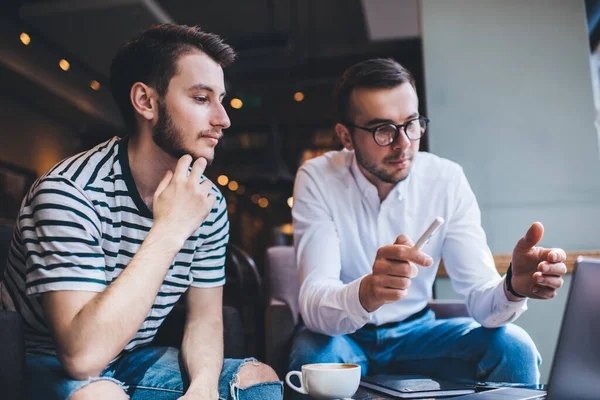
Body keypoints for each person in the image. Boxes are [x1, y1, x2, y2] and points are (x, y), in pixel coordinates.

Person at [0, 24, 282, 400]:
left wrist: (202, 389)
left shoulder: (208, 201)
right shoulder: (69, 192)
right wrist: (170, 228)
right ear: (146, 102)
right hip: (43, 361)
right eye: (201, 98)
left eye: (222, 99)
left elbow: (204, 318)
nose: (223, 119)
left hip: (131, 356)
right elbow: (81, 357)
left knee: (258, 380)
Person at [289, 58, 567, 391]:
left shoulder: (446, 179)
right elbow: (314, 303)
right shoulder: (318, 178)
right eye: (382, 130)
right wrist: (367, 292)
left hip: (418, 333)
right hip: (343, 337)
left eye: (411, 123)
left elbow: (482, 301)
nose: (403, 143)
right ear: (346, 136)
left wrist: (512, 288)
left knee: (514, 347)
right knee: (311, 354)